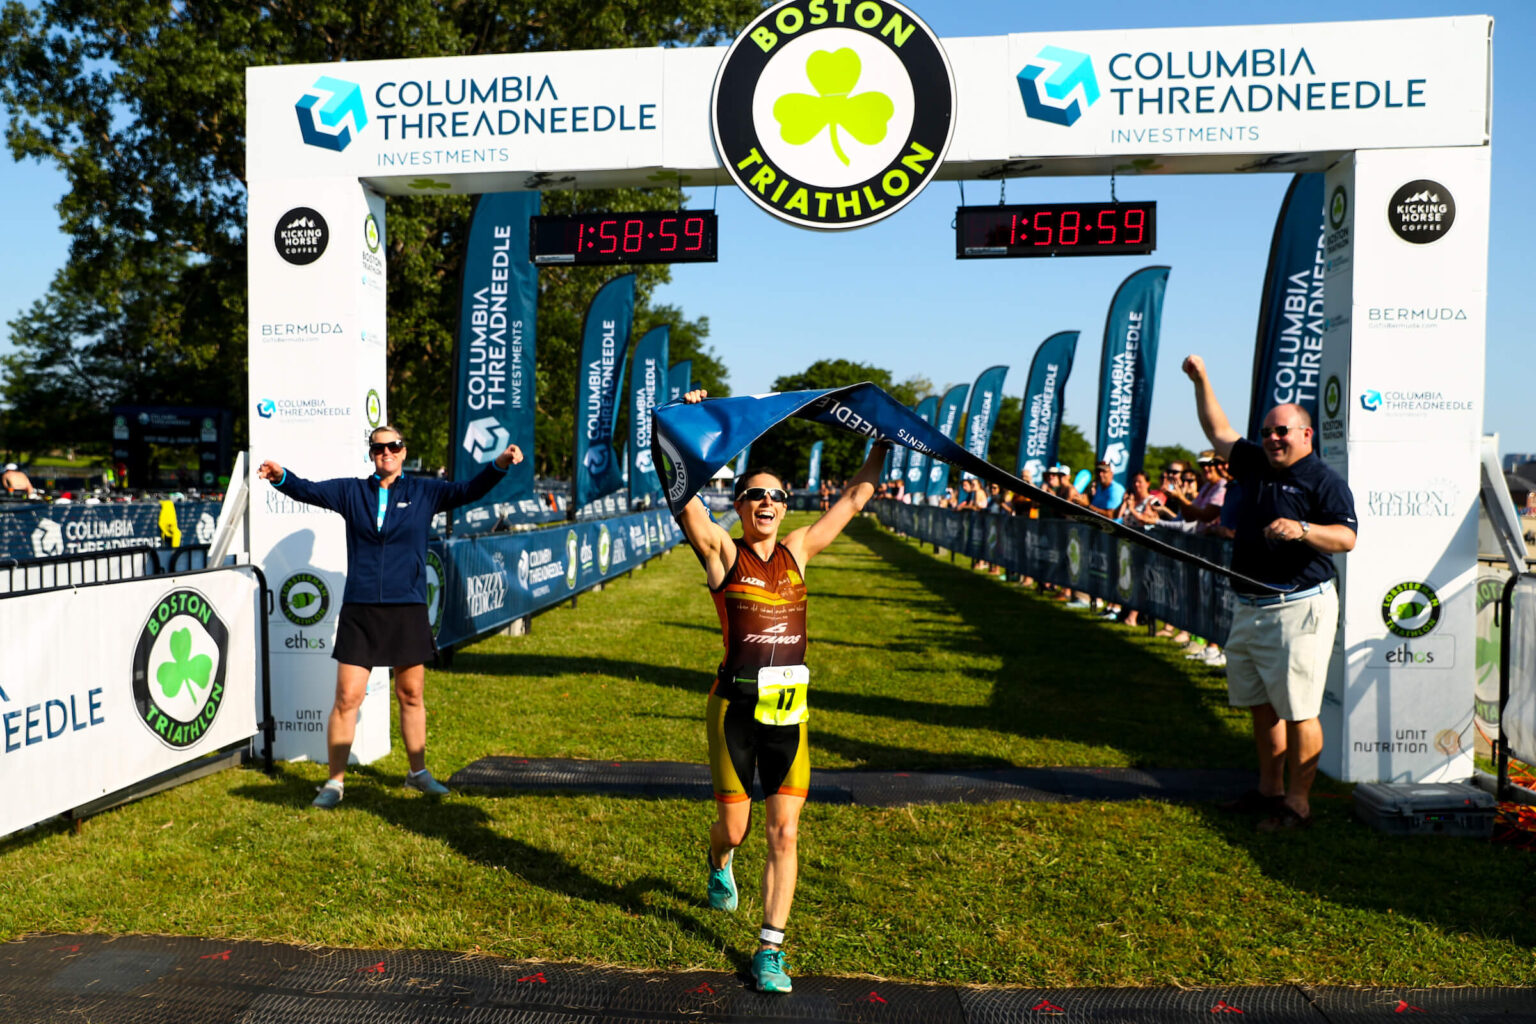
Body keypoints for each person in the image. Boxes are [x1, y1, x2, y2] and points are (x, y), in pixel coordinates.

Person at [672, 388, 888, 994]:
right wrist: (689, 424)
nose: (766, 502)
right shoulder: (720, 553)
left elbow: (851, 498)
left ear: (785, 508)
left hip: (788, 715)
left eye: (776, 495)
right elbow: (682, 497)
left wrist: (882, 443)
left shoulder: (798, 551)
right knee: (735, 831)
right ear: (738, 506)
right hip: (733, 711)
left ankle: (770, 950)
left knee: (785, 831)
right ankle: (719, 861)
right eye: (754, 494)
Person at [256, 425, 522, 809]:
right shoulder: (351, 491)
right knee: (347, 697)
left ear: (403, 450)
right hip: (361, 608)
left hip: (407, 606)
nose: (387, 452)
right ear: (371, 454)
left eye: (393, 446)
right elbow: (309, 490)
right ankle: (334, 782)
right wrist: (281, 477)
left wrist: (499, 463)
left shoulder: (425, 492)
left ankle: (418, 773)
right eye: (379, 447)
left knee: (410, 694)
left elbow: (469, 490)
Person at [1182, 355, 1357, 832]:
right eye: (1267, 431)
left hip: (1299, 606)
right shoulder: (1255, 463)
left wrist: (1303, 529)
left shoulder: (1324, 480)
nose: (1273, 438)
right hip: (1251, 605)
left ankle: (1298, 805)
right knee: (1261, 707)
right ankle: (1269, 791)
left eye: (1283, 431)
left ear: (1306, 435)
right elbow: (1217, 431)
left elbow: (1346, 538)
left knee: (1300, 710)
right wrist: (1203, 380)